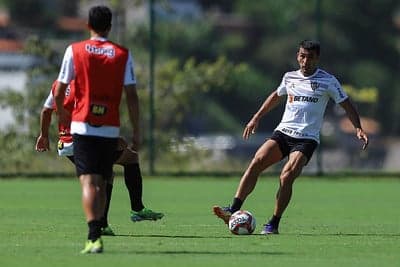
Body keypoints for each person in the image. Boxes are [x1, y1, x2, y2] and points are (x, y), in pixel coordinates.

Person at [213, 40, 369, 235]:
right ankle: (234, 209)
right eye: (302, 56)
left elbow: (346, 104)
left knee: (286, 176)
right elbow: (276, 96)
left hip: (306, 139)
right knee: (257, 161)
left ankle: (273, 223)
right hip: (283, 133)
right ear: (297, 56)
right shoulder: (289, 77)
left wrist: (358, 128)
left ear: (317, 58)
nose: (305, 61)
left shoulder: (328, 81)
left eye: (310, 57)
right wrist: (256, 118)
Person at [52, 5, 149, 254]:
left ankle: (93, 236)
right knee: (105, 179)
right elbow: (132, 95)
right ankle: (100, 227)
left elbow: (61, 89)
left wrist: (63, 116)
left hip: (82, 125)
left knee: (89, 182)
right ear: (110, 26)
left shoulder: (74, 50)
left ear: (88, 25)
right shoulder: (122, 54)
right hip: (109, 127)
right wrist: (137, 130)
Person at [35, 80, 164, 236]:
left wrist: (44, 135)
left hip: (66, 144)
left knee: (112, 170)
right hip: (85, 141)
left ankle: (115, 218)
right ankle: (127, 213)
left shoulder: (59, 84)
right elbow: (93, 115)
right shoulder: (88, 84)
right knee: (113, 169)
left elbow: (46, 111)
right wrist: (114, 139)